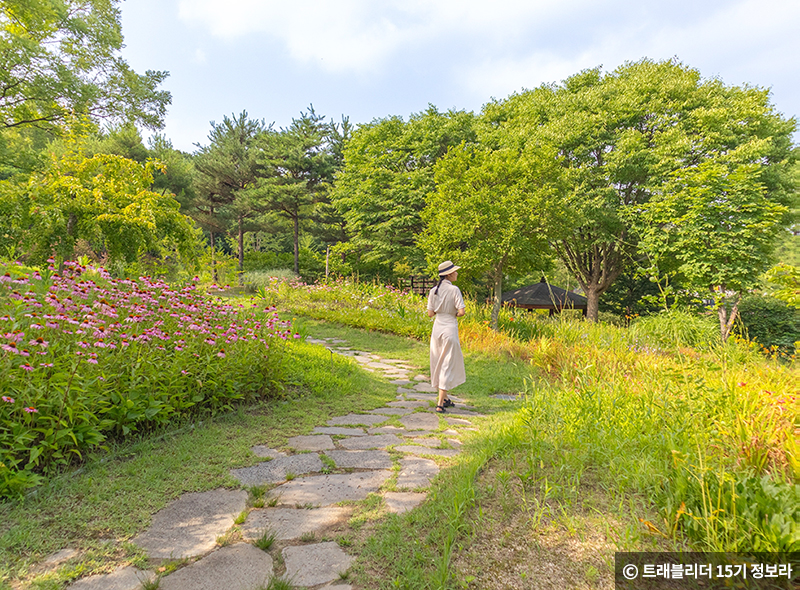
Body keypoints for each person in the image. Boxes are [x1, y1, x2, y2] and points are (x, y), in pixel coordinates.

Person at [427, 260, 466, 413]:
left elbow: (430, 313)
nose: (456, 273)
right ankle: (440, 404)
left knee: (438, 360)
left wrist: (440, 310)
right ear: (449, 274)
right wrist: (453, 313)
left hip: (437, 328)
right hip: (449, 327)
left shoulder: (433, 291)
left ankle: (445, 398)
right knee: (447, 363)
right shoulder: (454, 290)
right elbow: (461, 312)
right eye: (455, 271)